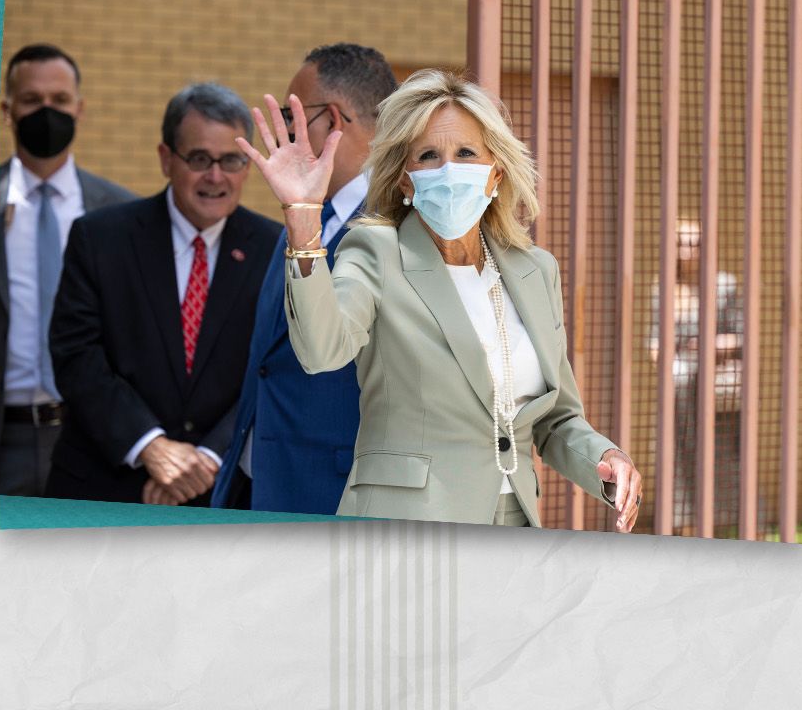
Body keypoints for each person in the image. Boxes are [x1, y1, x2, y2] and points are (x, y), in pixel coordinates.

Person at [235, 72, 643, 529]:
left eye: (466, 153)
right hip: (407, 525)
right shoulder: (376, 251)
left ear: (497, 172)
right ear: (406, 182)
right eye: (428, 156)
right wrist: (305, 221)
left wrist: (605, 460)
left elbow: (555, 419)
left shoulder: (536, 270)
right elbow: (321, 351)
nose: (448, 170)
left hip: (514, 523)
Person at [45, 83, 278, 504]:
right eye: (199, 159)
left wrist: (208, 458)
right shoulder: (99, 238)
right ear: (166, 159)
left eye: (231, 160)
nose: (215, 176)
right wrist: (150, 445)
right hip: (103, 486)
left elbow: (273, 369)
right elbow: (76, 355)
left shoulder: (274, 249)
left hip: (221, 492)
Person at [213, 42, 398, 516]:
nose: (285, 136)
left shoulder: (398, 225)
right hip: (252, 484)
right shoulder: (306, 211)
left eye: (294, 122)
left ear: (333, 121)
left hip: (329, 493)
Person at [0, 43, 132, 497]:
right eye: (32, 101)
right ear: (7, 110)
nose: (48, 112)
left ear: (79, 109)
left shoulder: (120, 210)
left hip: (92, 437)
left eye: (60, 101)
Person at [648, 219, 742, 536]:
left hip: (715, 393)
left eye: (696, 242)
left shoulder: (724, 285)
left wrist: (709, 344)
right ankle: (685, 529)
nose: (689, 250)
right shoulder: (663, 289)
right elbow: (654, 344)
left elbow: (739, 337)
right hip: (678, 395)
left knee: (721, 457)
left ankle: (726, 525)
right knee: (678, 459)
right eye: (682, 242)